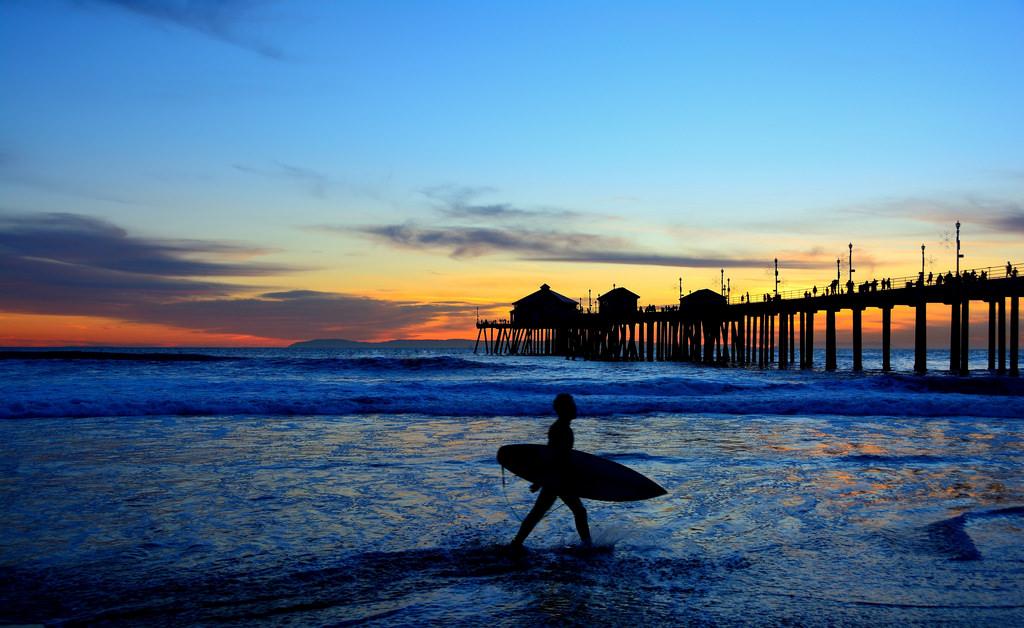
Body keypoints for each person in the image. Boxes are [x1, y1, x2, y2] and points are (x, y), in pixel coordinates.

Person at [510, 393, 591, 549]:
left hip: (556, 478)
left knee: (538, 513)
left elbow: (553, 455)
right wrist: (540, 480)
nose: (576, 409)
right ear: (565, 409)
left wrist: (539, 480)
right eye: (572, 406)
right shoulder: (560, 429)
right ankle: (587, 545)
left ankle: (516, 543)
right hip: (558, 479)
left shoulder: (562, 427)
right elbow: (553, 456)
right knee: (578, 511)